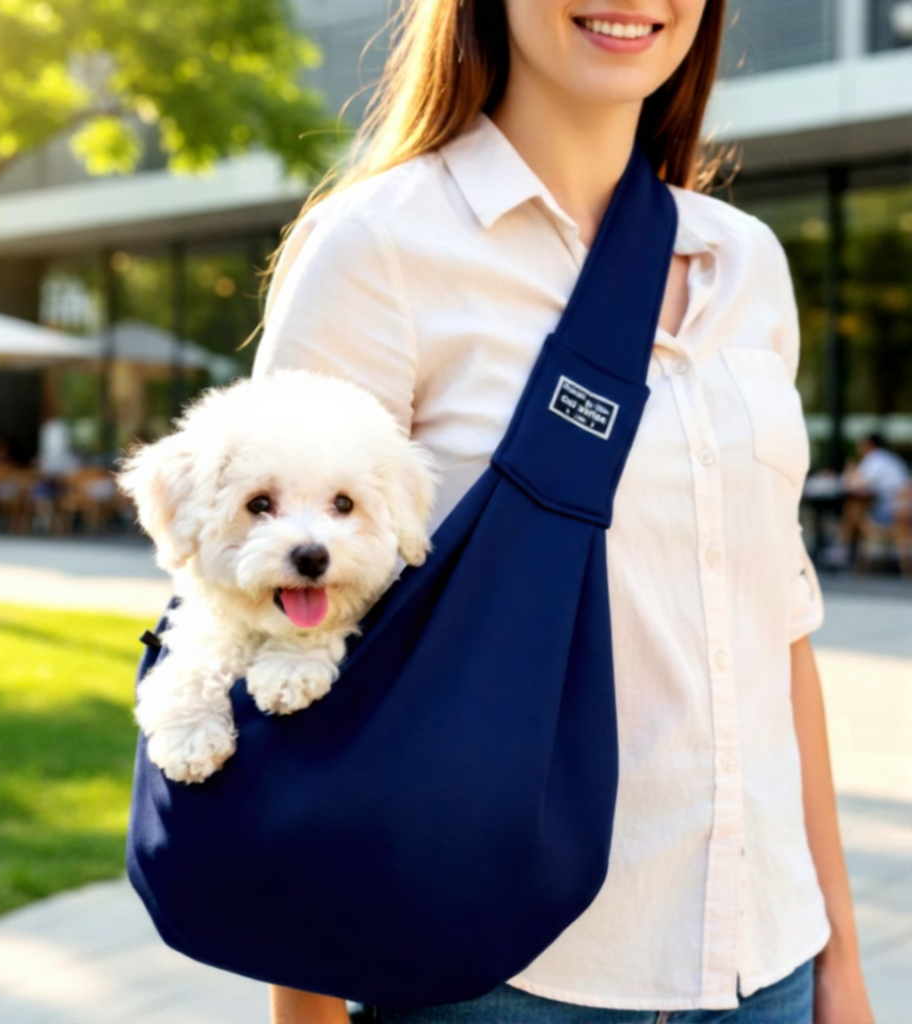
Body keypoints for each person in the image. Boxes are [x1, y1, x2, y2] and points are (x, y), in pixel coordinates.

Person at [251, 1, 874, 1021]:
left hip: (768, 963)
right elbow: (275, 657)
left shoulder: (745, 263)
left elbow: (777, 632)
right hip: (498, 979)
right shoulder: (380, 248)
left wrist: (839, 962)